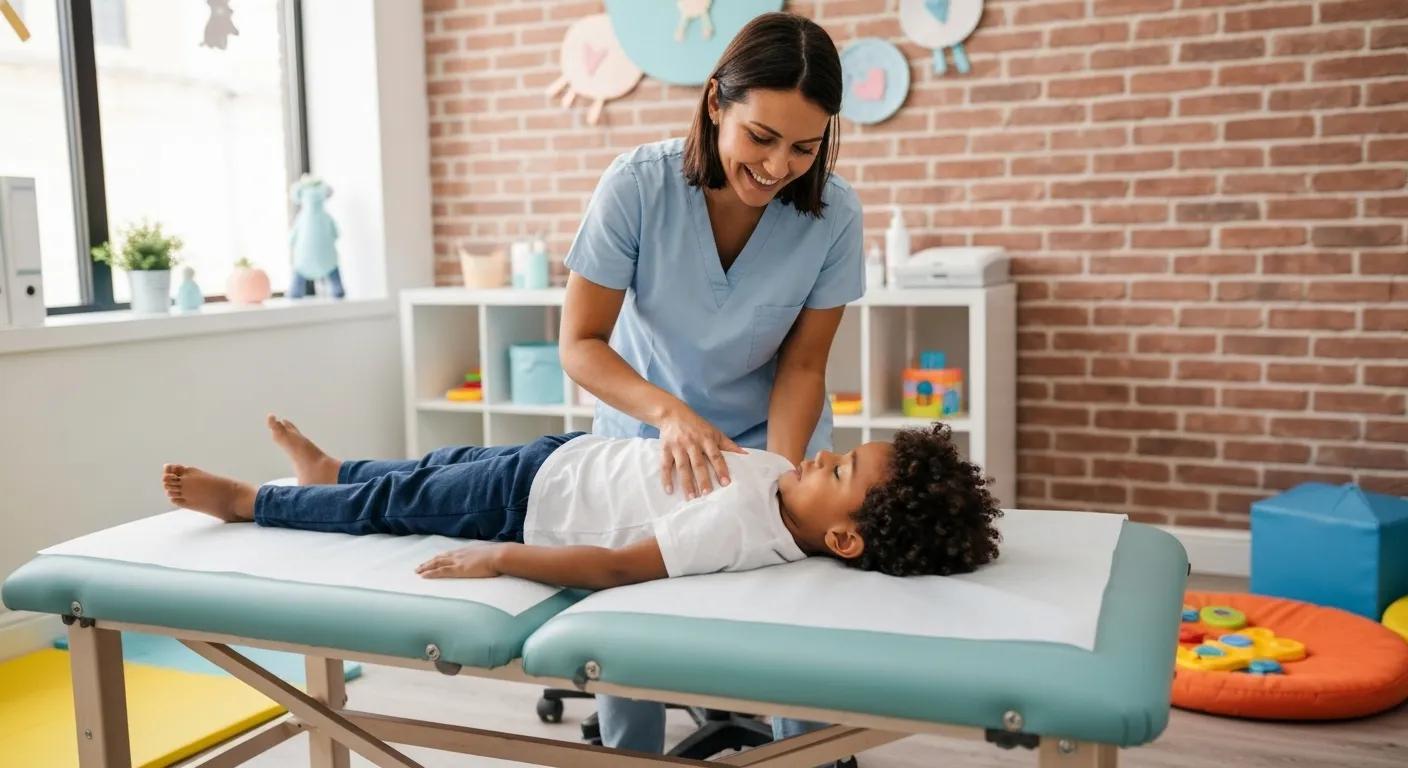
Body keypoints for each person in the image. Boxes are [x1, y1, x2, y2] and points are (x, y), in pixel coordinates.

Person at [557, 10, 867, 755]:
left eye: (804, 146)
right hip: (648, 434)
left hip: (773, 437)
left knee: (791, 615)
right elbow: (580, 343)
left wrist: (779, 479)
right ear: (714, 103)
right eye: (760, 137)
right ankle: (631, 751)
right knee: (631, 618)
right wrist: (669, 416)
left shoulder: (835, 216)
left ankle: (805, 753)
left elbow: (801, 365)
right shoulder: (638, 186)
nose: (777, 165)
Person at [162, 416, 1002, 589]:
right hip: (560, 456)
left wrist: (500, 557)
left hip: (525, 507)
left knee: (401, 501)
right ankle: (332, 465)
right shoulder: (781, 473)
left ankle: (253, 501)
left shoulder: (738, 531)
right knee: (426, 464)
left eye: (841, 470)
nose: (824, 452)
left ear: (845, 538)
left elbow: (609, 564)